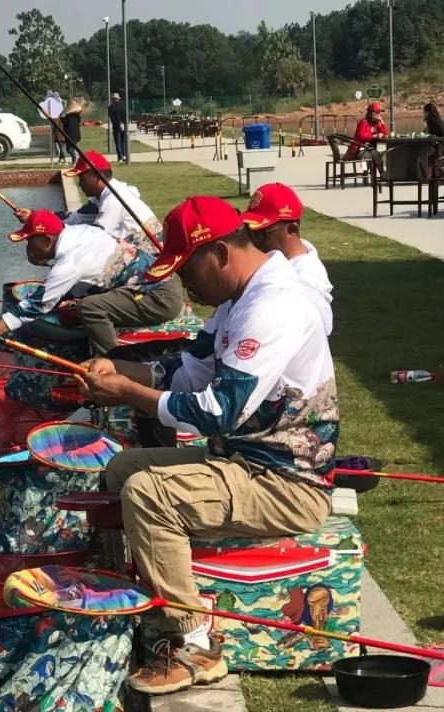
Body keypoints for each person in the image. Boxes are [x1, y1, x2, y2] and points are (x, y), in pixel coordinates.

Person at [77, 196, 337, 695]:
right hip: (240, 460)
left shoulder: (274, 305)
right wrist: (120, 370)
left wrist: (128, 393)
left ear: (218, 253)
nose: (184, 285)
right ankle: (143, 590)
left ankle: (196, 644)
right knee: (122, 467)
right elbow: (187, 371)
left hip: (286, 482)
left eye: (186, 268)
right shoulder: (236, 302)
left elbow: (218, 410)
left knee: (149, 493)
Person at [0, 209, 185, 358]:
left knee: (90, 307)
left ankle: (111, 364)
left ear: (47, 240)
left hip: (160, 298)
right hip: (156, 286)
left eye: (29, 243)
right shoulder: (76, 232)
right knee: (80, 301)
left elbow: (31, 309)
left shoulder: (68, 264)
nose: (27, 250)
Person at [242, 183, 334, 325]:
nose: (252, 239)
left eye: (259, 233)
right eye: (247, 229)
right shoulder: (267, 261)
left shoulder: (307, 279)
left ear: (291, 230)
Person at [64, 150, 162, 242]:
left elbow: (96, 235)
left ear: (98, 176)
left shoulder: (114, 198)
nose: (80, 184)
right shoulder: (105, 194)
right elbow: (80, 217)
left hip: (150, 248)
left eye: (82, 179)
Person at [344, 102, 388, 178]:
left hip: (369, 148)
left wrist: (382, 122)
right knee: (374, 153)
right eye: (377, 112)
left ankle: (380, 174)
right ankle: (381, 174)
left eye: (379, 113)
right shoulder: (363, 122)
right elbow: (361, 136)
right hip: (358, 149)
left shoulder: (376, 123)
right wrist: (374, 136)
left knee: (374, 152)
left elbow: (385, 133)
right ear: (371, 113)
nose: (379, 114)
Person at [40, 90, 66, 164]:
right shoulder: (58, 110)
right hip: (56, 127)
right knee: (59, 142)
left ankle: (62, 157)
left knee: (60, 142)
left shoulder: (58, 112)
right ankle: (61, 158)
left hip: (58, 128)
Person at [60, 97, 83, 162]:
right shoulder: (77, 115)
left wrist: (65, 114)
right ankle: (77, 159)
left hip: (70, 134)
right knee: (72, 148)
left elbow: (63, 120)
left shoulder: (68, 116)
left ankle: (75, 159)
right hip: (75, 134)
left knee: (69, 149)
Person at [109, 93, 127, 163]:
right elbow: (125, 115)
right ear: (118, 99)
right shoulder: (123, 106)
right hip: (123, 125)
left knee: (117, 142)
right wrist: (123, 123)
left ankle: (120, 157)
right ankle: (124, 155)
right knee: (123, 141)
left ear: (112, 99)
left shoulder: (110, 107)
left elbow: (112, 118)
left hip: (116, 126)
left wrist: (118, 123)